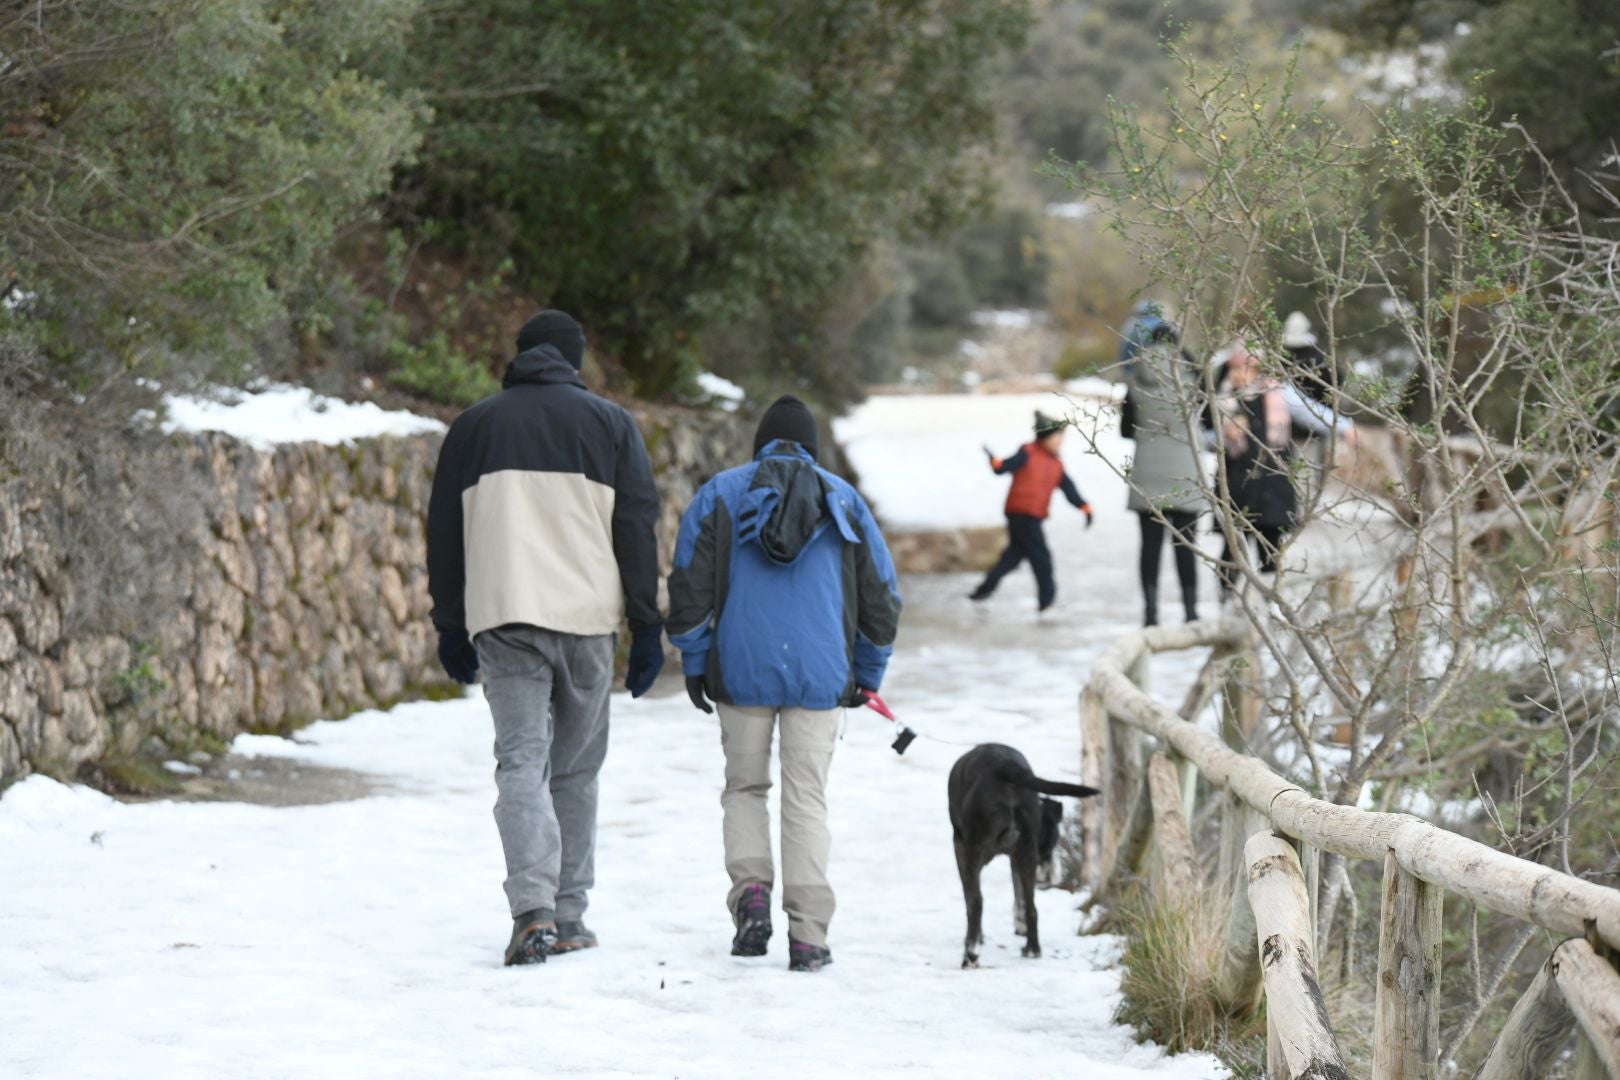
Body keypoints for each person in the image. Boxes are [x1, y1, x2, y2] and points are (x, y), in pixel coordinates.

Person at [426, 310, 665, 967]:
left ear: (522, 356)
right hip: (588, 622)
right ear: (573, 360)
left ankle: (532, 914)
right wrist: (647, 625)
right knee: (577, 769)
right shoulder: (612, 425)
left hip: (504, 620)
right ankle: (568, 914)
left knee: (521, 765)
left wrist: (450, 622)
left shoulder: (474, 427)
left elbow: (444, 534)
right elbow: (636, 529)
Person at [666, 395, 901, 974]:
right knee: (807, 799)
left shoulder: (720, 494)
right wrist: (866, 674)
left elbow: (688, 587)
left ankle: (751, 895)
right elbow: (882, 599)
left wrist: (696, 661)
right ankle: (809, 935)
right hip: (822, 672)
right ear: (814, 448)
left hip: (740, 668)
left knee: (745, 788)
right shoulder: (843, 500)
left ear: (760, 443)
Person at [1209, 344, 1354, 594]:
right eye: (1233, 368)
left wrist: (1344, 426)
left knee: (1271, 550)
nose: (1237, 374)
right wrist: (1222, 435)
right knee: (1232, 550)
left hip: (1272, 485)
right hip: (1236, 486)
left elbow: (1312, 413)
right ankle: (1227, 602)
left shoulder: (1278, 392)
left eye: (1243, 368)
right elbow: (1204, 438)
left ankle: (1270, 605)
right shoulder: (1222, 398)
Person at [1120, 323, 1205, 625]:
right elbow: (1208, 421)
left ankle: (1151, 611)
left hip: (1147, 473)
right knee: (1186, 546)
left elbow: (1125, 429)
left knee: (1150, 546)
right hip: (1186, 473)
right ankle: (1191, 611)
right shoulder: (1195, 375)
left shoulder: (1136, 377)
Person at [969, 411, 1093, 613]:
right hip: (1022, 514)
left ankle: (981, 592)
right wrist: (995, 462)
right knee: (1042, 558)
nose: (1060, 441)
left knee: (1012, 558)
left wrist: (1084, 506)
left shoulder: (1056, 464)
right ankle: (1047, 602)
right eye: (1057, 437)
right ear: (1045, 437)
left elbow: (1069, 489)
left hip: (1031, 516)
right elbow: (1004, 467)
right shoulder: (1028, 452)